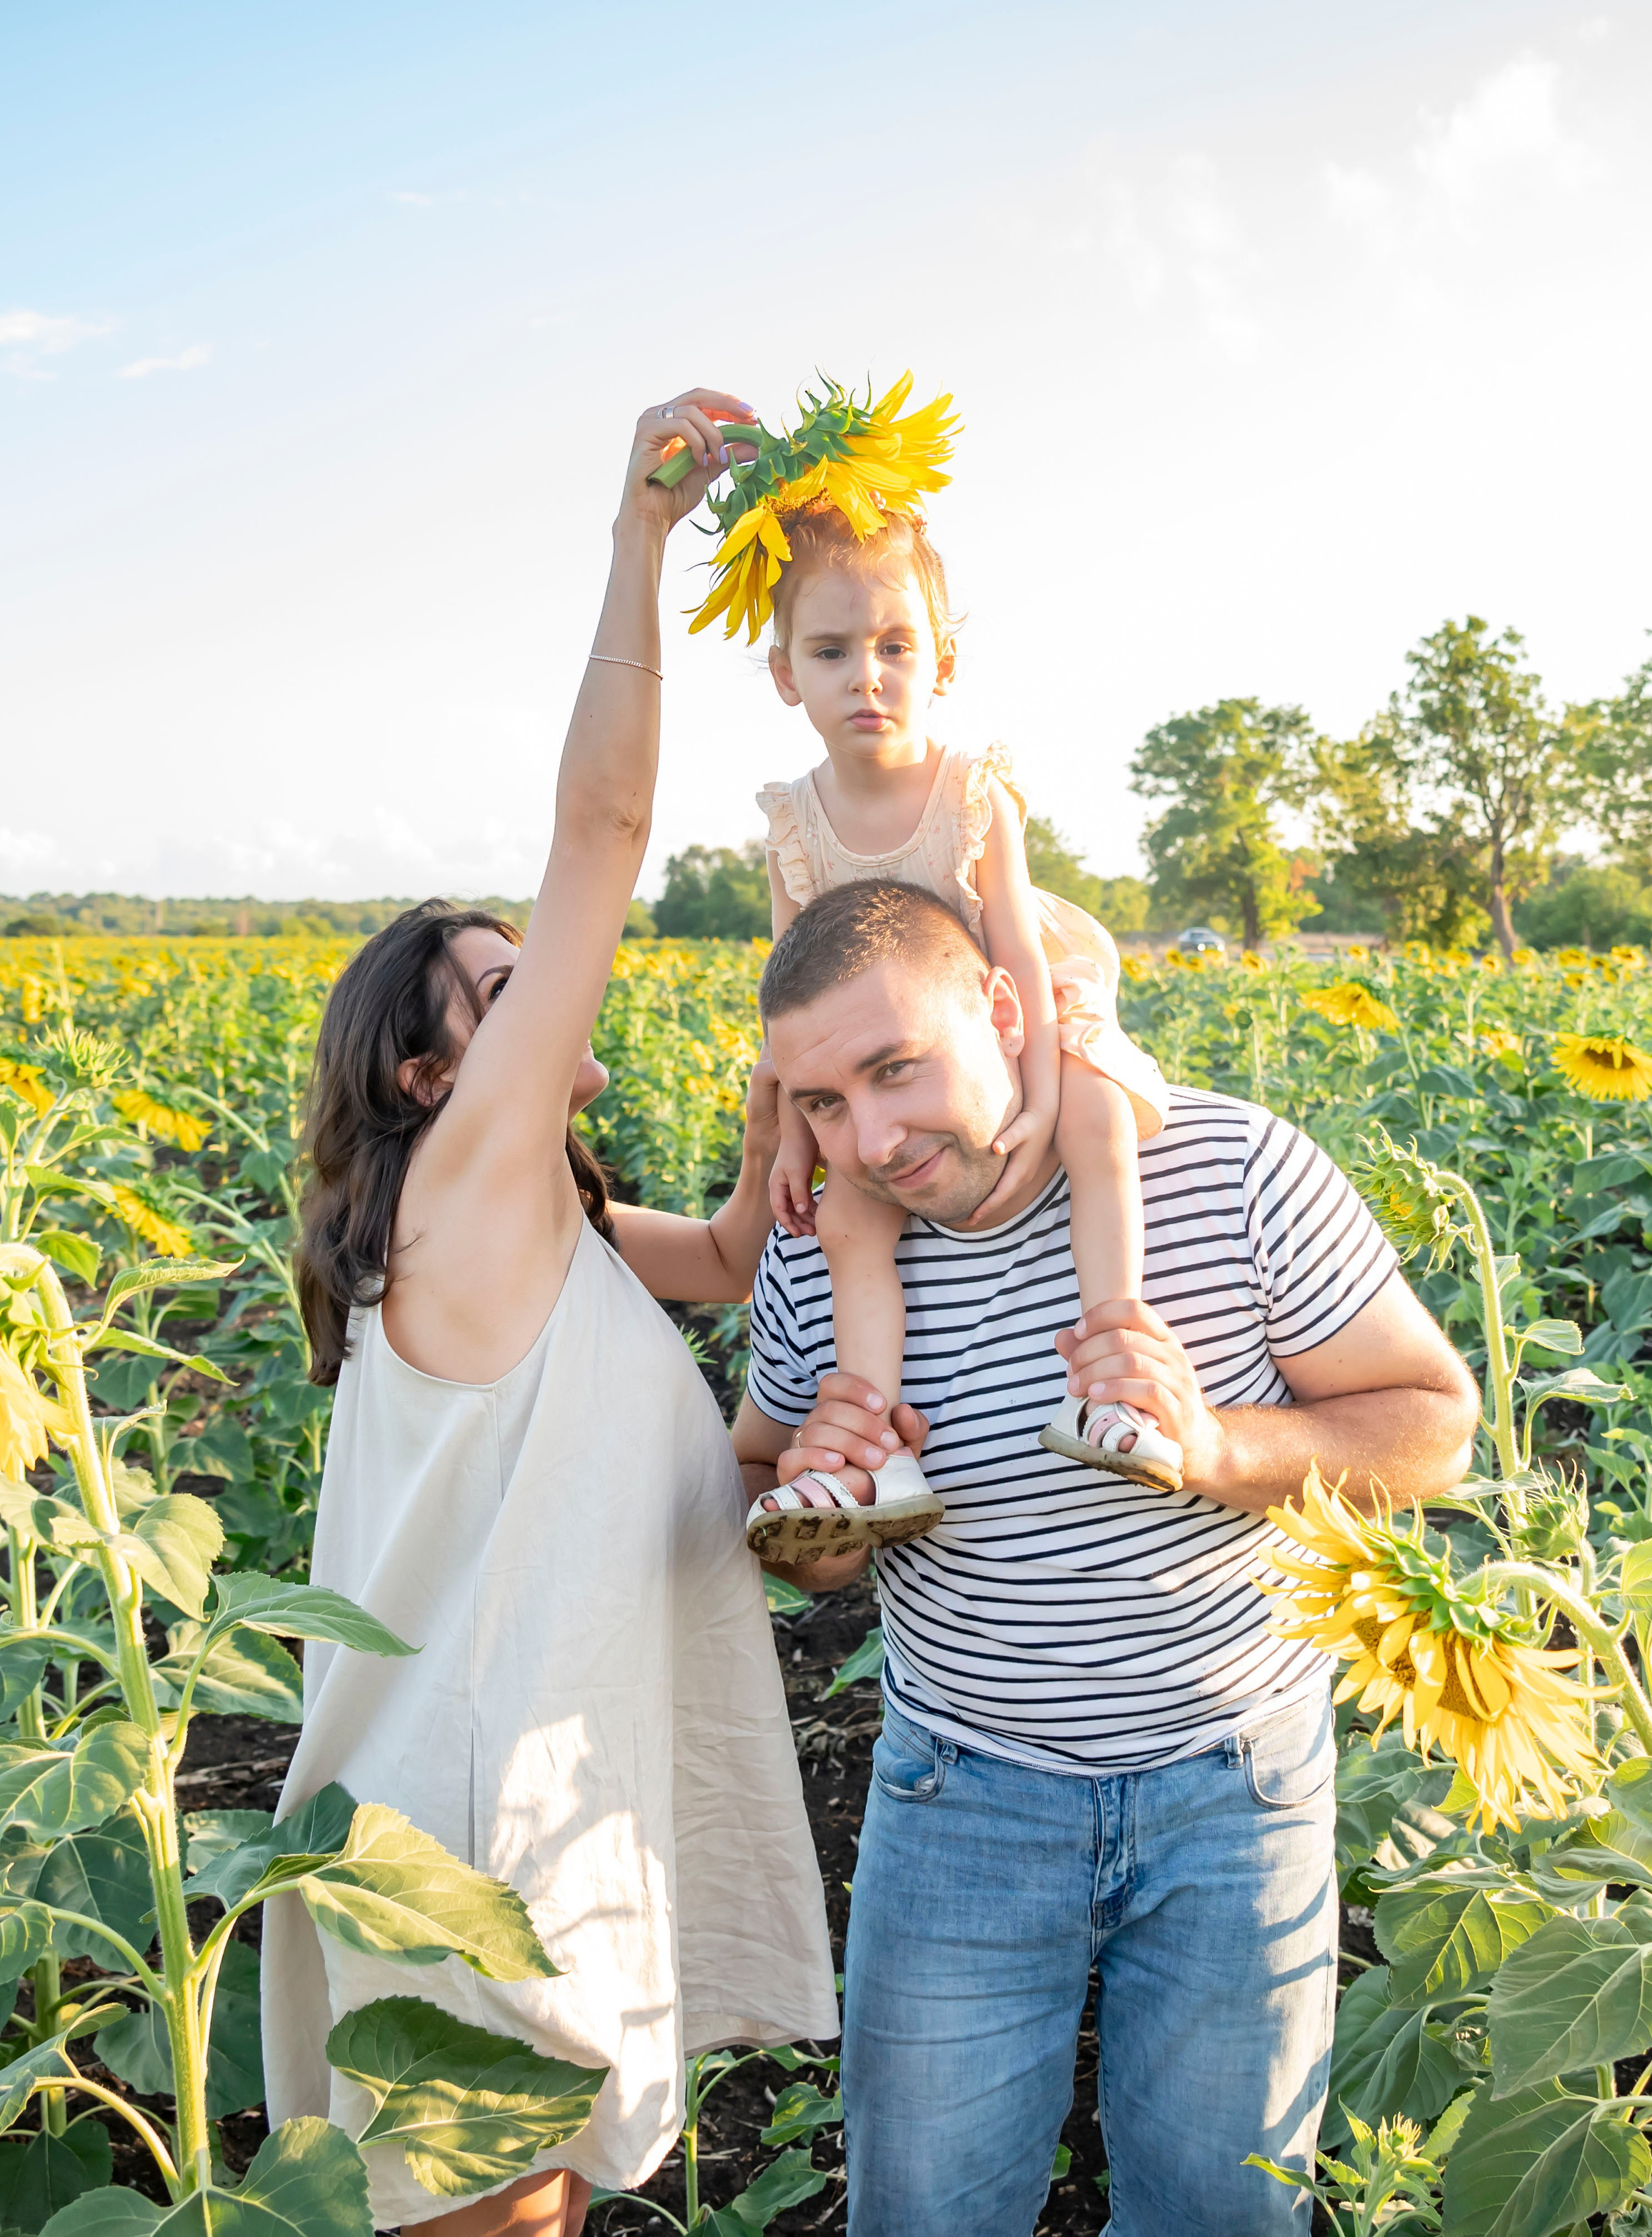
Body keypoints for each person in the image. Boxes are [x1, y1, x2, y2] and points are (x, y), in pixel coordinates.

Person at [261, 391, 837, 2237]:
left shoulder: (553, 1226)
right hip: (464, 1826)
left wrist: (773, 1131)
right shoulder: (469, 1189)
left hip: (510, 1791)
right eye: (502, 991)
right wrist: (639, 543)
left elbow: (738, 1259)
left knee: (533, 2207)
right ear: (437, 1074)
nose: (546, 991)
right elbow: (603, 825)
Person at [730, 878, 1481, 2236]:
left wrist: (1215, 1447)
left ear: (1003, 1009)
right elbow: (771, 1507)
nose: (875, 1141)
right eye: (825, 1103)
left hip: (1235, 1798)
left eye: (898, 1069)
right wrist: (818, 1505)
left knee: (1218, 2213)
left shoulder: (1231, 1170)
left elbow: (1433, 1424)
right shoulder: (824, 1248)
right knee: (926, 2217)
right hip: (963, 1794)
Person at [687, 385, 1178, 1565]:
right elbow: (793, 990)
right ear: (783, 675)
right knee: (851, 1219)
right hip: (876, 1050)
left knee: (1108, 1123)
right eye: (832, 650)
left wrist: (1048, 1091)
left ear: (942, 660)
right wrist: (796, 1132)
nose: (868, 675)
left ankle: (1115, 1370)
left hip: (1018, 994)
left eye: (895, 647)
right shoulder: (795, 821)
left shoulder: (971, 787)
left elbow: (1015, 943)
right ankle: (874, 1445)